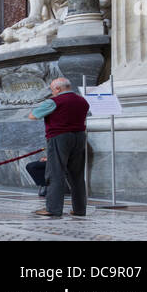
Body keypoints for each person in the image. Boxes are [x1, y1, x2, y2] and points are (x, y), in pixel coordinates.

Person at [30, 76, 90, 219]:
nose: (53, 92)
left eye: (52, 90)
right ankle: (80, 209)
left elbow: (33, 115)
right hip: (80, 137)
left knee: (55, 172)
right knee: (77, 175)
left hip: (59, 137)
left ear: (57, 88)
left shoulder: (54, 101)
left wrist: (50, 102)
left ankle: (53, 209)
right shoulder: (83, 101)